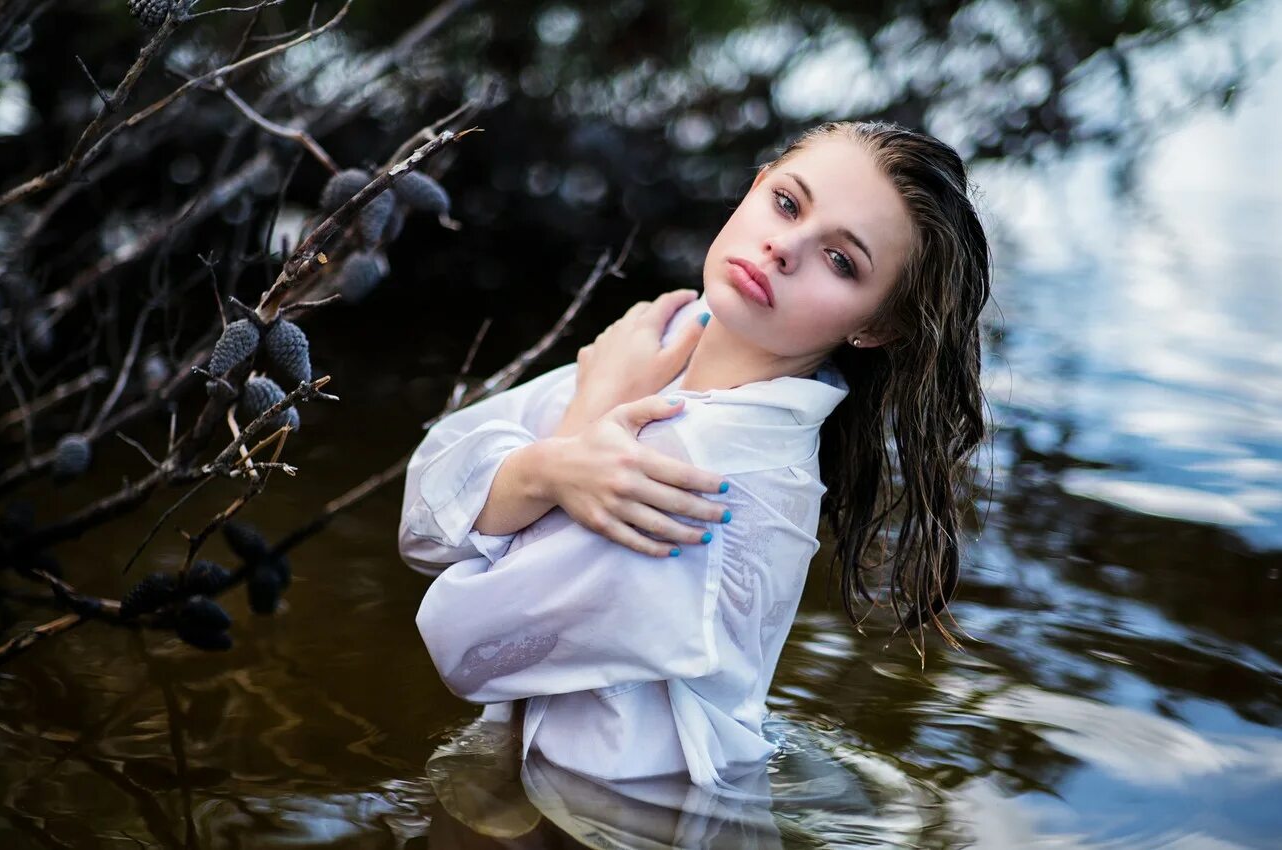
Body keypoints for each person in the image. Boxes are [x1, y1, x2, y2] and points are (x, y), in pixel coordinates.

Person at [398, 120, 991, 792]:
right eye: (788, 203)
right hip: (542, 785)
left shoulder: (716, 477)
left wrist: (569, 435)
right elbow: (421, 515)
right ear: (756, 183)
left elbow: (467, 645)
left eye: (841, 261)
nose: (784, 248)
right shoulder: (666, 342)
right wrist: (556, 464)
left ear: (875, 326)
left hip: (627, 821)